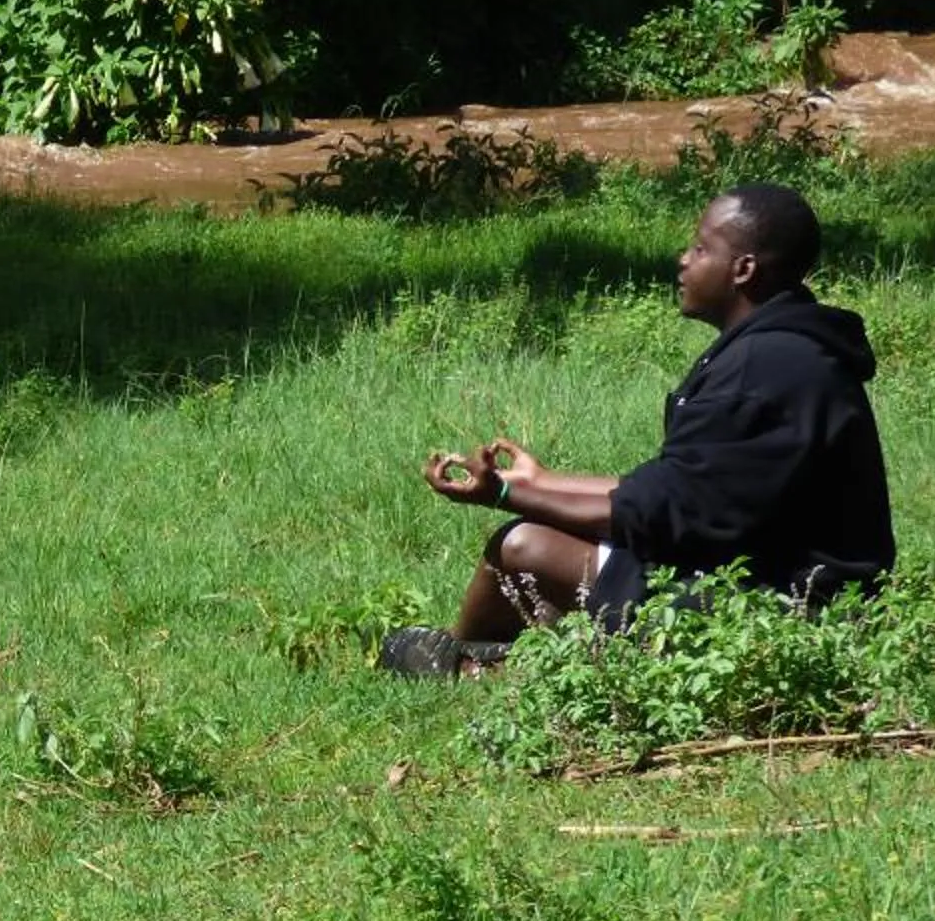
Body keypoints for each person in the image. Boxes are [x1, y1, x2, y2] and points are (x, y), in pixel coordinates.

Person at [382, 182, 894, 676]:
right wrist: (536, 482)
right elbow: (676, 488)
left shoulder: (763, 369)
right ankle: (497, 659)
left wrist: (504, 497)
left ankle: (468, 668)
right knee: (543, 554)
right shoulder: (776, 349)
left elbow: (659, 512)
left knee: (522, 547)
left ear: (743, 269)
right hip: (765, 575)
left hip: (790, 608)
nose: (683, 259)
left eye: (700, 247)